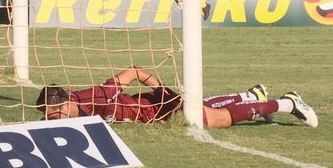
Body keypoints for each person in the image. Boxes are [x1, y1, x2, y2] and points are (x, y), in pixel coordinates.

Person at [36, 65, 318, 128]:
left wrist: (163, 93)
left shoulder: (94, 97)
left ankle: (288, 103)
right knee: (202, 107)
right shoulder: (73, 107)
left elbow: (134, 71)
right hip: (155, 114)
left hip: (156, 109)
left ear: (66, 104)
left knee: (215, 120)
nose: (52, 121)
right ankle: (250, 96)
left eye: (53, 115)